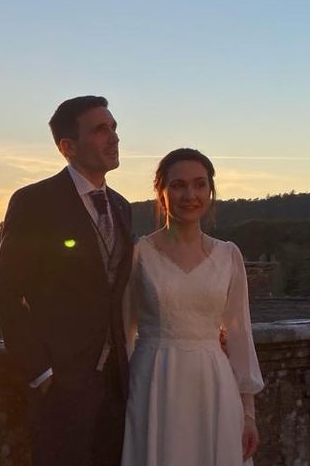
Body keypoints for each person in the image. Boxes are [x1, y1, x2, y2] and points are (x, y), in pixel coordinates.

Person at [0, 95, 133, 466]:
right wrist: (42, 374)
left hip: (117, 387)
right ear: (67, 146)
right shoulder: (34, 202)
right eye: (101, 130)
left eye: (114, 127)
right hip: (62, 388)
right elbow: (4, 295)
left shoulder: (121, 206)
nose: (114, 137)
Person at [122, 148, 264, 466]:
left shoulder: (229, 256)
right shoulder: (138, 255)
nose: (190, 195)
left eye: (200, 185)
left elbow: (240, 337)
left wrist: (248, 413)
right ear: (161, 191)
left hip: (213, 384)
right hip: (154, 384)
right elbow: (122, 333)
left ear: (210, 191)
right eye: (178, 185)